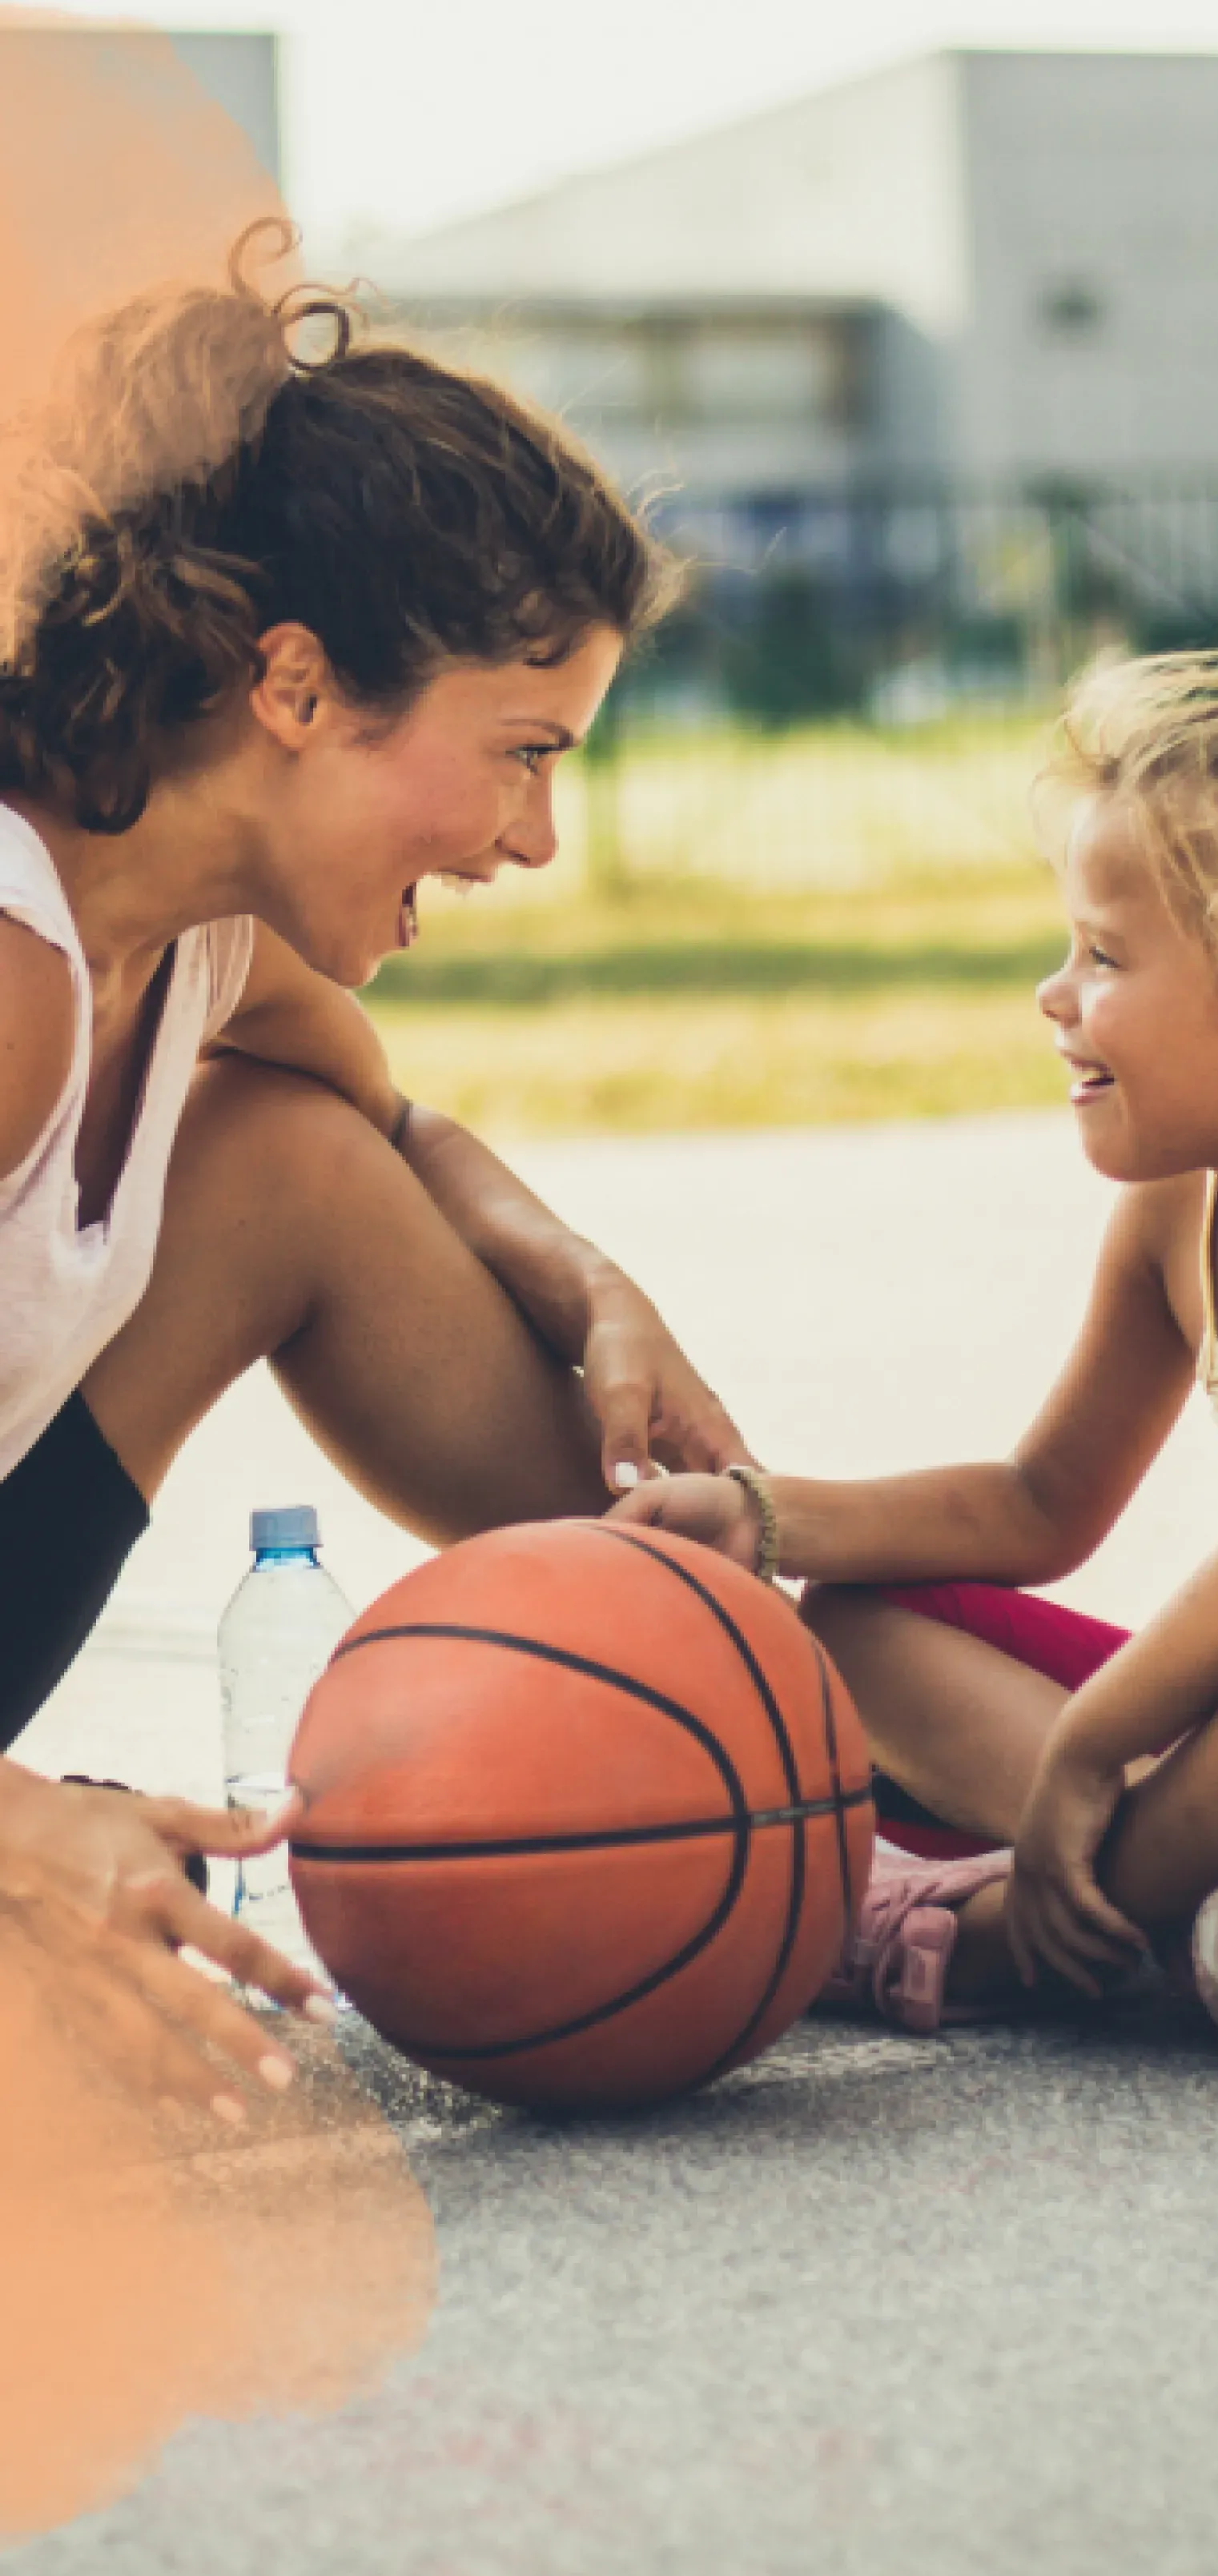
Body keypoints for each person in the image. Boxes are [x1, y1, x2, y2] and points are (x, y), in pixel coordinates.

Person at [0, 239, 746, 2119]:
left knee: (299, 1162)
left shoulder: (201, 950)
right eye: (520, 752)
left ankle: (759, 1720)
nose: (539, 836)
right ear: (300, 687)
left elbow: (398, 1137)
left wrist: (591, 1286)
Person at [615, 657, 1218, 2060]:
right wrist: (764, 1511)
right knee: (859, 1618)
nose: (1055, 996)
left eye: (1105, 958)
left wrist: (1089, 1751)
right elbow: (1042, 1500)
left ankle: (983, 1945)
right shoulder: (1180, 1208)